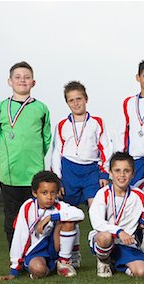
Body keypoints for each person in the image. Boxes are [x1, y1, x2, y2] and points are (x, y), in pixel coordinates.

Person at [0, 61, 52, 248]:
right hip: (9, 174)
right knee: (12, 219)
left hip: (34, 174)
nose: (22, 80)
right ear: (10, 81)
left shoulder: (41, 108)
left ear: (33, 82)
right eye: (18, 77)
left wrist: (34, 157)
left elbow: (46, 139)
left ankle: (35, 257)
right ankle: (15, 257)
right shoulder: (0, 107)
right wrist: (8, 157)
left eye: (27, 77)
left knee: (36, 218)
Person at [51, 80, 112, 268]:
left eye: (79, 99)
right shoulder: (62, 125)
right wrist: (57, 180)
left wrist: (104, 173)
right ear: (67, 103)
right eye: (71, 100)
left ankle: (102, 258)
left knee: (97, 214)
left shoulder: (97, 123)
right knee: (70, 216)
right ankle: (72, 255)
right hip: (69, 171)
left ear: (86, 99)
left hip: (91, 171)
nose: (76, 103)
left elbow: (106, 148)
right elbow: (56, 152)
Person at [0, 171, 85, 280]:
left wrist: (51, 218)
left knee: (68, 220)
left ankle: (64, 263)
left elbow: (80, 214)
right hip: (36, 251)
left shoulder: (59, 206)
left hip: (54, 247)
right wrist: (14, 270)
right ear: (35, 193)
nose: (49, 197)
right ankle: (48, 269)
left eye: (53, 192)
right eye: (44, 193)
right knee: (39, 269)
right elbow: (20, 236)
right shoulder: (28, 207)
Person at [88, 152, 144, 278]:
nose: (122, 175)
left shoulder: (139, 195)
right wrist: (119, 232)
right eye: (117, 171)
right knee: (105, 238)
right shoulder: (103, 194)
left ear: (133, 173)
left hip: (126, 244)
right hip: (105, 240)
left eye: (126, 171)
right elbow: (97, 222)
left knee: (142, 272)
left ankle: (118, 264)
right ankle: (103, 261)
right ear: (110, 173)